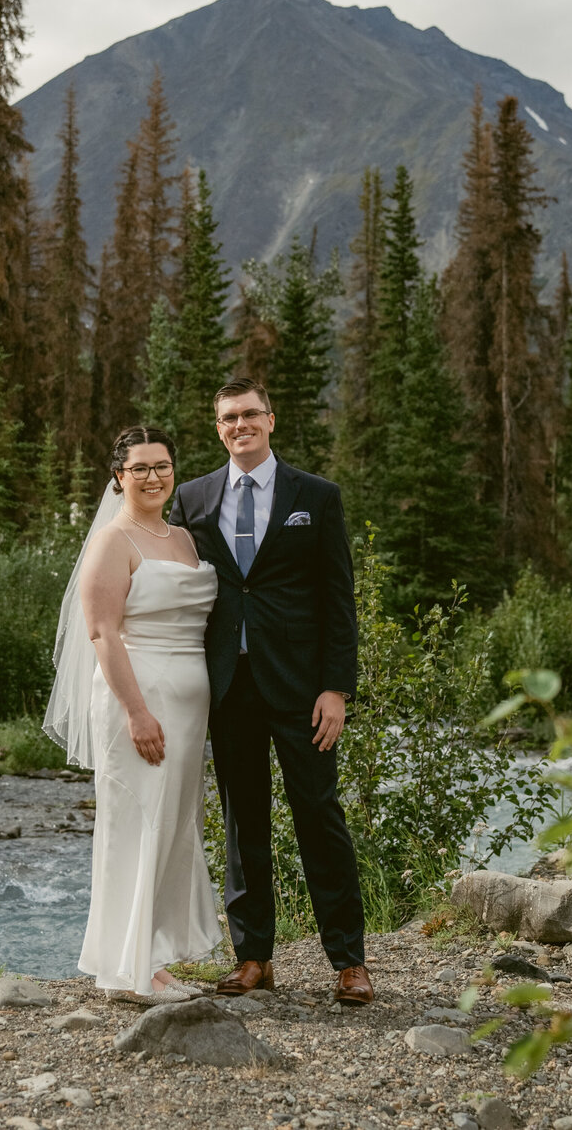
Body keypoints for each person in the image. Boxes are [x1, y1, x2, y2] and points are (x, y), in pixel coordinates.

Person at [169, 378, 373, 1005]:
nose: (240, 425)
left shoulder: (317, 496)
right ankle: (253, 956)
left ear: (271, 420)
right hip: (228, 688)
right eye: (229, 418)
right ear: (218, 427)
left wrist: (336, 688)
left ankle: (348, 962)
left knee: (320, 817)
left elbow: (338, 602)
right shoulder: (192, 499)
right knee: (241, 823)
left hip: (302, 691)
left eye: (250, 414)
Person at [43, 425, 223, 1002]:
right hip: (138, 701)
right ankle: (127, 971)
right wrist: (137, 713)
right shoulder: (114, 540)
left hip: (190, 707)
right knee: (136, 827)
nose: (153, 477)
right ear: (118, 476)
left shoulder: (184, 537)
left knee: (171, 829)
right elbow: (102, 632)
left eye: (162, 465)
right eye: (140, 468)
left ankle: (148, 956)